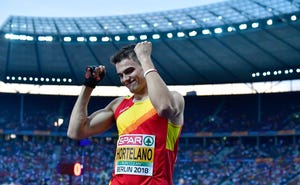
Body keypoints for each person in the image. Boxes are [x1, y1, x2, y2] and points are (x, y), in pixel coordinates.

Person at [67, 41, 185, 185]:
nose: (125, 79)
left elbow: (164, 107)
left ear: (143, 65)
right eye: (121, 75)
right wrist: (88, 86)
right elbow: (75, 132)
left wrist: (145, 58)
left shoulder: (173, 98)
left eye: (129, 71)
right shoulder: (118, 105)